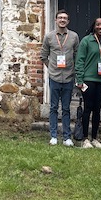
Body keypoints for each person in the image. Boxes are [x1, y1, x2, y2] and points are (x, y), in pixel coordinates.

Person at [41, 9, 79, 146]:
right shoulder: (49, 37)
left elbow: (77, 55)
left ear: (68, 21)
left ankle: (67, 137)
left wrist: (74, 70)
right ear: (56, 20)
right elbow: (43, 56)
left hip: (69, 77)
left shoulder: (74, 36)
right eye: (60, 18)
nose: (62, 20)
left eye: (65, 18)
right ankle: (53, 135)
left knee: (66, 108)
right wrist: (51, 68)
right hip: (54, 77)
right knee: (53, 107)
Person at [75, 17, 101, 148]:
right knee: (88, 108)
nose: (100, 27)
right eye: (98, 25)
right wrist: (79, 79)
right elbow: (79, 61)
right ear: (94, 26)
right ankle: (85, 138)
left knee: (97, 110)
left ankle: (95, 138)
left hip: (100, 81)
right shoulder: (86, 41)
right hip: (88, 80)